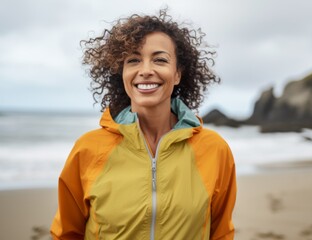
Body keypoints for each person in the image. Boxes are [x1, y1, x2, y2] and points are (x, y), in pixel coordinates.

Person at [50, 8, 236, 240]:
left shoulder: (214, 150)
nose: (146, 71)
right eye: (134, 60)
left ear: (177, 74)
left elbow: (221, 234)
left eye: (160, 59)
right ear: (123, 73)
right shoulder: (88, 149)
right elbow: (66, 234)